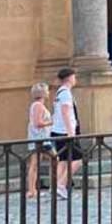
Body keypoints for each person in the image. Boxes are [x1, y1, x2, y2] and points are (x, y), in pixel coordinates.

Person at [50, 67, 84, 199]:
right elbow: (65, 112)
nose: (75, 79)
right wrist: (71, 132)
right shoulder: (65, 94)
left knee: (63, 160)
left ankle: (57, 186)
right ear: (69, 78)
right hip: (65, 132)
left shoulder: (60, 92)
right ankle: (61, 184)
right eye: (74, 77)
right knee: (78, 159)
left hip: (58, 130)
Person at [25, 83, 52, 199]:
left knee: (35, 163)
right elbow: (38, 123)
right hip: (40, 139)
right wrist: (51, 122)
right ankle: (32, 189)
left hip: (39, 138)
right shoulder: (38, 106)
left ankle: (32, 189)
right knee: (54, 159)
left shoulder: (36, 105)